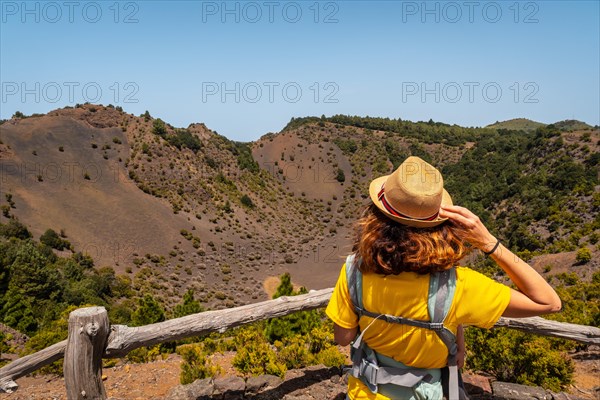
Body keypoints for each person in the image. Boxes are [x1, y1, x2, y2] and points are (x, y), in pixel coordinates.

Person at [326, 156, 561, 400]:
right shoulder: (459, 285)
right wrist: (488, 242)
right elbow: (548, 302)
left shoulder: (355, 270)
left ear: (375, 215)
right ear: (440, 223)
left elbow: (344, 337)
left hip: (366, 392)